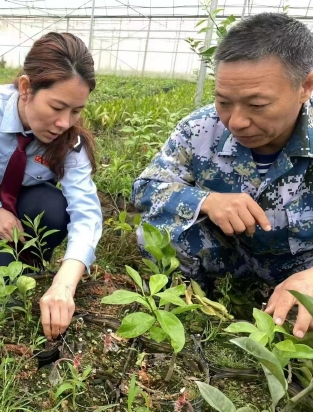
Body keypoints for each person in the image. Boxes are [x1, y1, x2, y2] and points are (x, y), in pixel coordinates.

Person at [132, 13, 313, 339]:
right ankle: (190, 313)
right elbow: (146, 188)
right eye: (223, 102)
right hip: (233, 255)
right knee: (158, 232)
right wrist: (206, 200)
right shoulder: (200, 128)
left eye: (257, 104)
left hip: (300, 268)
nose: (237, 121)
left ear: (305, 87)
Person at [0, 32, 103, 340]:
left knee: (55, 211)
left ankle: (30, 261)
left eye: (76, 111)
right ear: (27, 88)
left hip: (28, 195)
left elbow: (86, 210)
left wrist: (65, 282)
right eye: (57, 107)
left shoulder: (70, 141)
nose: (64, 123)